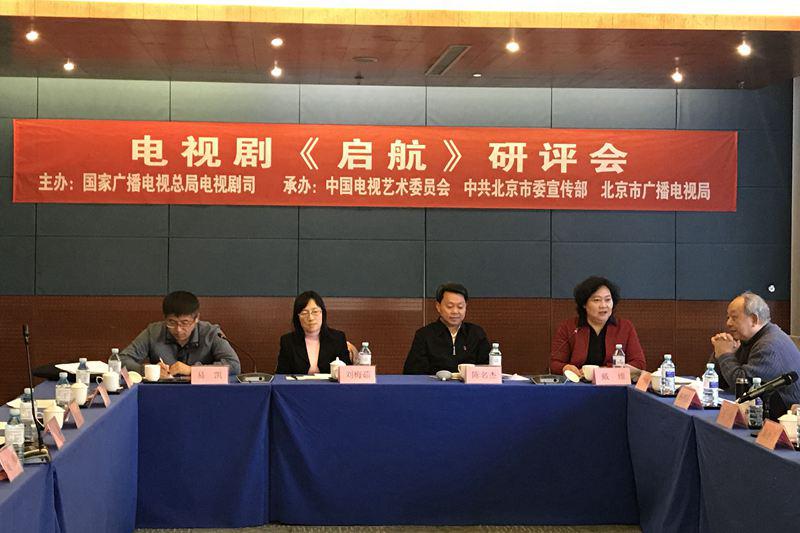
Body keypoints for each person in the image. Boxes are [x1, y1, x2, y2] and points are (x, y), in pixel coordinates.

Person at [710, 291, 800, 417]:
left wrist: (725, 354)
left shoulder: (769, 345)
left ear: (754, 319)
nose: (728, 323)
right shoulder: (748, 339)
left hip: (785, 419)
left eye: (734, 318)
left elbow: (742, 387)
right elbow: (717, 381)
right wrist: (719, 352)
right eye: (728, 317)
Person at [119, 291, 240, 377]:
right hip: (162, 393)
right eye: (171, 322)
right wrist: (148, 370)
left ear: (196, 318)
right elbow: (121, 360)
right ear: (165, 318)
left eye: (185, 323)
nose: (178, 330)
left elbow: (234, 366)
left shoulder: (211, 333)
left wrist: (192, 370)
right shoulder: (153, 332)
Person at [550, 276, 646, 376]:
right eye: (596, 300)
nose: (603, 305)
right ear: (584, 304)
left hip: (613, 383)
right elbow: (554, 363)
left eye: (608, 300)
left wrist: (604, 371)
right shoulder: (569, 327)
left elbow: (639, 364)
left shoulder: (625, 327)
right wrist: (565, 368)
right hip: (578, 383)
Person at [403, 282, 491, 375]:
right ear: (438, 306)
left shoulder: (476, 334)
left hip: (468, 384)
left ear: (466, 307)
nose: (455, 311)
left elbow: (489, 370)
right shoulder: (424, 335)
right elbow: (413, 373)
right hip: (435, 384)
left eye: (460, 307)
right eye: (450, 306)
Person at [276, 291, 354, 374]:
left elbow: (347, 373)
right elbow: (281, 376)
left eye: (315, 312)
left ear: (322, 313)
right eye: (304, 313)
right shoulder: (288, 341)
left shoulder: (338, 338)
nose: (311, 318)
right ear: (297, 317)